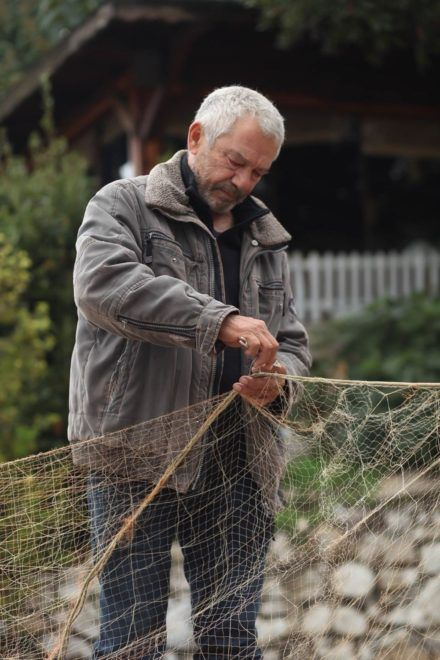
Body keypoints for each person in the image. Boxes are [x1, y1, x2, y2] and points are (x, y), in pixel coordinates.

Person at [69, 85, 311, 659]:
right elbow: (102, 287)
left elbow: (294, 343)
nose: (246, 182)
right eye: (236, 161)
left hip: (239, 461)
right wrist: (219, 321)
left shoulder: (265, 238)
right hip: (136, 456)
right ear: (197, 136)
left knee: (231, 641)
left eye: (259, 171)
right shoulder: (121, 203)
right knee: (131, 640)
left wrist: (280, 383)